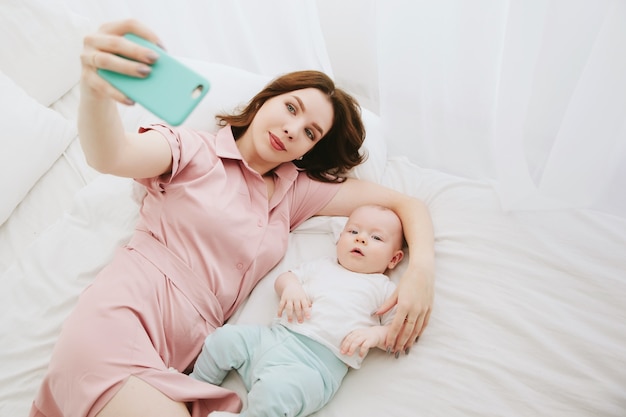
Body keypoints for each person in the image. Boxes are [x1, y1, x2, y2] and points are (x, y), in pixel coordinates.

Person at [29, 19, 434, 417]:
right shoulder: (192, 151)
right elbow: (111, 155)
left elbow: (408, 205)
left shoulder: (296, 193)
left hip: (174, 363)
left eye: (310, 133)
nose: (293, 130)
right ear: (264, 100)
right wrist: (95, 92)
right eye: (291, 107)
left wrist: (419, 276)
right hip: (115, 328)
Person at [190, 204, 407, 417]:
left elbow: (399, 331)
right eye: (353, 231)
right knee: (224, 338)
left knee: (276, 395)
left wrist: (375, 334)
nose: (361, 238)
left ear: (394, 259)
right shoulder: (322, 265)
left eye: (376, 238)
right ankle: (195, 387)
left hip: (313, 368)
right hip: (272, 338)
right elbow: (286, 277)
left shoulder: (384, 289)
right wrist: (291, 287)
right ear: (340, 237)